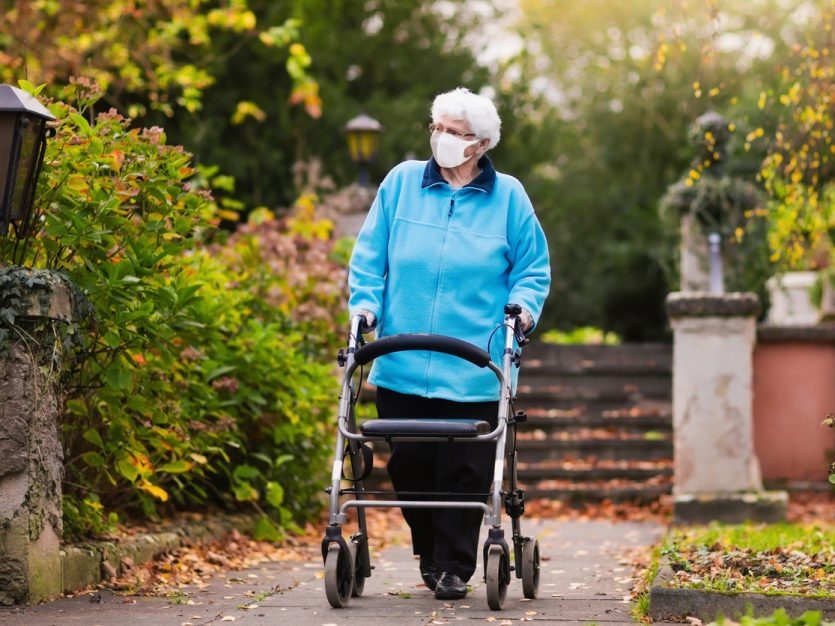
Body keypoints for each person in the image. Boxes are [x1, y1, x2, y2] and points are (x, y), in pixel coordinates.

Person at [348, 87, 550, 600]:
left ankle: (454, 566)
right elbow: (369, 257)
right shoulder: (400, 184)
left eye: (454, 131)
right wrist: (364, 305)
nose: (441, 138)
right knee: (409, 466)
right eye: (436, 127)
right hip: (402, 360)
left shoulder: (509, 198)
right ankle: (431, 553)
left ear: (480, 143)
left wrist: (522, 310)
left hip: (475, 366)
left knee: (465, 471)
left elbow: (532, 269)